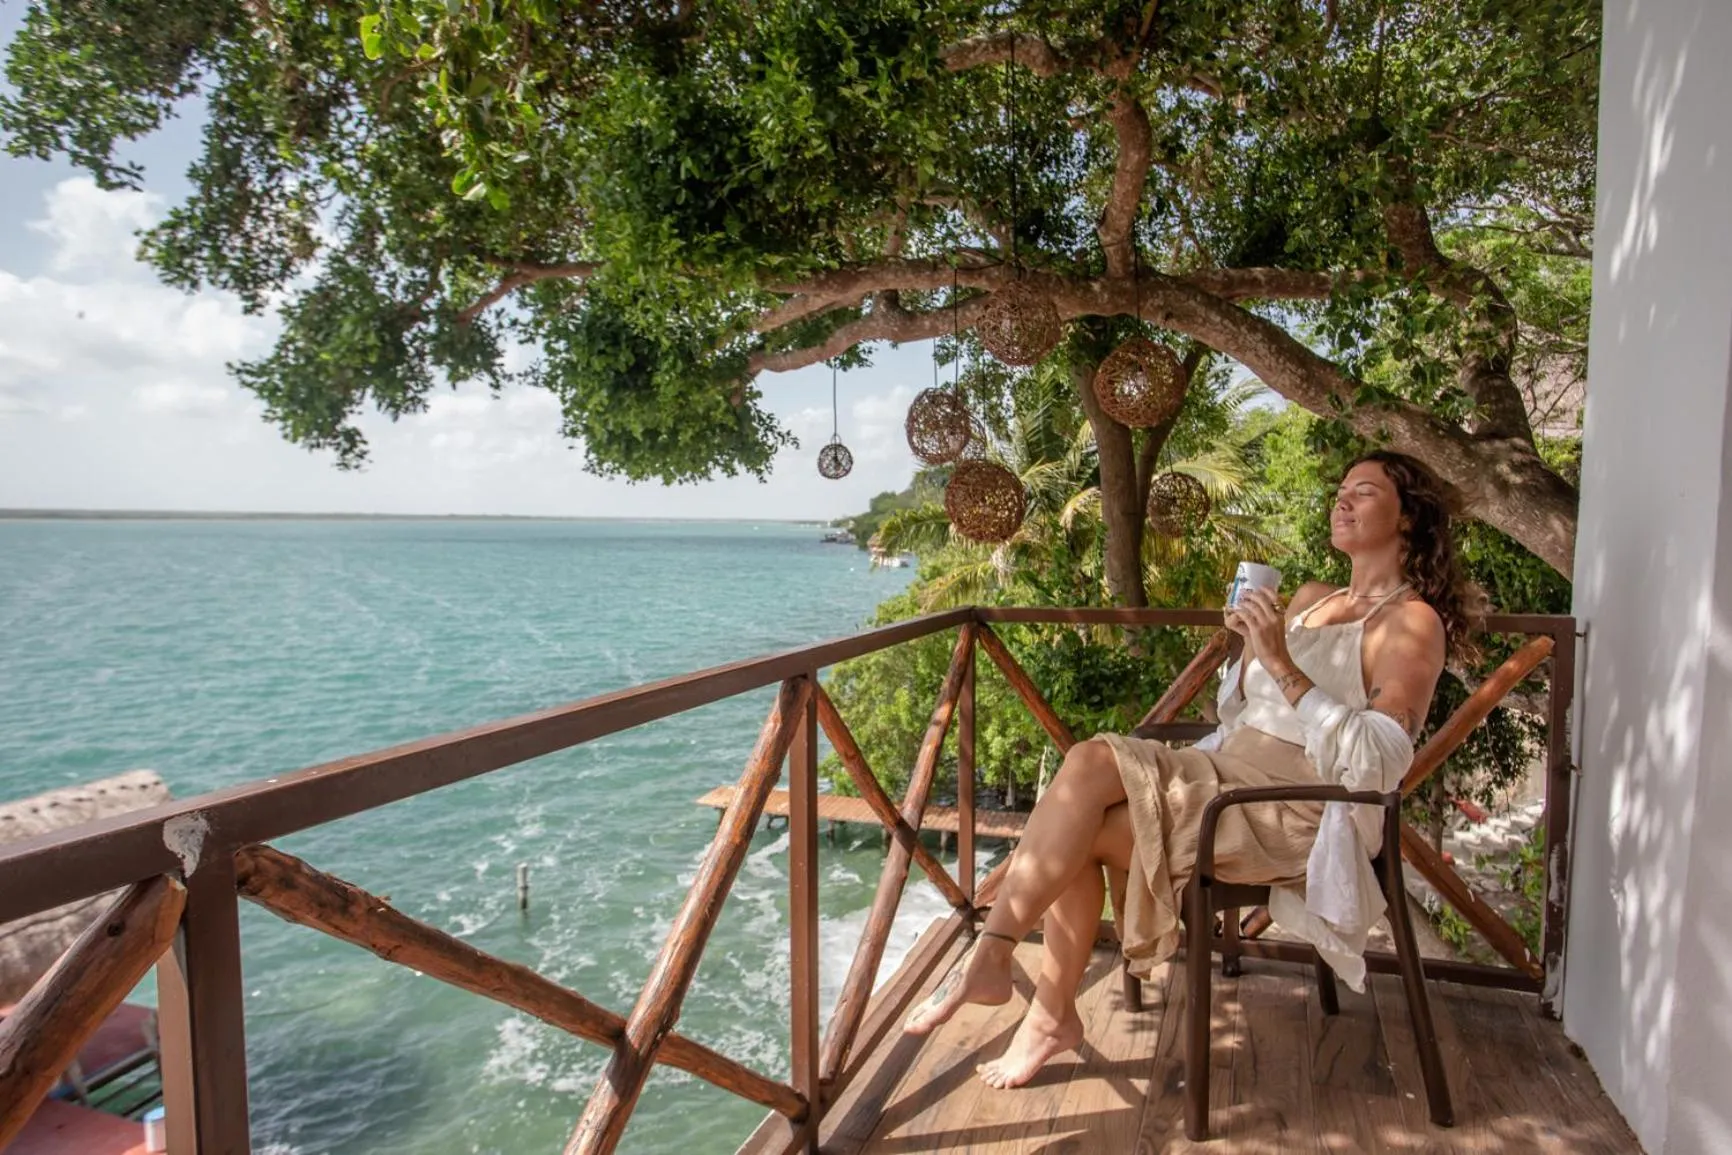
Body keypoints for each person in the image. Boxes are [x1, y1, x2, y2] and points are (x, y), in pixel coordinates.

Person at [903, 450, 1481, 1089]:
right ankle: (1039, 1002)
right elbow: (1244, 709)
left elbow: (1379, 757)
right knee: (1082, 787)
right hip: (1226, 772)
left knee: (1081, 802)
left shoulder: (1410, 621)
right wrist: (1245, 652)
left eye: (1364, 492)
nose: (1341, 501)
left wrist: (1280, 660)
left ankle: (1030, 994)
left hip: (1299, 807)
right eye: (1341, 490)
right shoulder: (1315, 598)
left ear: (1408, 519)